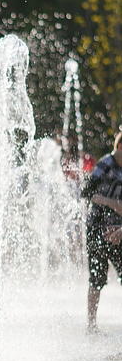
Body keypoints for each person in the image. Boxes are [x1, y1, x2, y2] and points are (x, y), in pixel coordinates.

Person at [80, 132, 122, 333]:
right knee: (97, 277)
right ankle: (91, 324)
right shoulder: (105, 165)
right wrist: (110, 203)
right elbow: (86, 193)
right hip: (98, 229)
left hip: (119, 231)